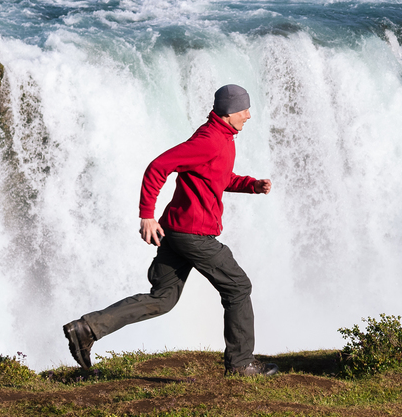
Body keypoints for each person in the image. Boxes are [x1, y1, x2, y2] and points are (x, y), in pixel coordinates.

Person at [62, 84, 278, 376]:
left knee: (163, 299)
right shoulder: (209, 140)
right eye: (244, 109)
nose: (249, 115)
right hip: (194, 235)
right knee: (238, 287)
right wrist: (146, 216)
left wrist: (251, 185)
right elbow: (158, 166)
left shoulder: (224, 138)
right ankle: (241, 364)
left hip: (176, 232)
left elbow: (217, 177)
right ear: (229, 112)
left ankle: (87, 328)